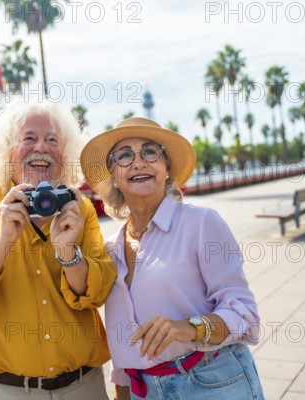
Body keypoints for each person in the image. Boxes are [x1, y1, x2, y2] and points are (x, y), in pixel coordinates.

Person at [0, 98, 117, 400]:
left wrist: (68, 252)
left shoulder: (78, 210)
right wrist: (2, 241)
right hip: (6, 390)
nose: (41, 148)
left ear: (65, 153)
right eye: (28, 138)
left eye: (53, 140)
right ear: (7, 151)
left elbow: (96, 294)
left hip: (82, 387)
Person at [80, 117, 264, 400]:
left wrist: (189, 327)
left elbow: (245, 314)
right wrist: (122, 390)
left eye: (150, 152)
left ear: (166, 169)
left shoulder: (201, 222)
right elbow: (122, 339)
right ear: (114, 176)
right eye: (124, 156)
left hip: (212, 382)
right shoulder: (111, 250)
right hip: (144, 392)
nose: (138, 163)